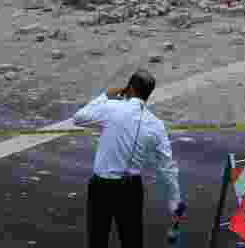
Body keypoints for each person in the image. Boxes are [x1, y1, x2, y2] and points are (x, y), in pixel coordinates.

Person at [73, 69, 186, 248]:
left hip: (102, 186)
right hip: (131, 189)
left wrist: (105, 96)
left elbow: (79, 118)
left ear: (129, 88)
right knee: (132, 240)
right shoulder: (156, 125)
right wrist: (175, 199)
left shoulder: (112, 108)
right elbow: (167, 166)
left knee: (97, 239)